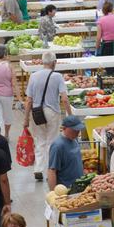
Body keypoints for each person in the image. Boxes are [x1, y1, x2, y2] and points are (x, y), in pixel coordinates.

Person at [24, 53, 72, 182]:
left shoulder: (33, 76)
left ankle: (38, 169)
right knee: (52, 141)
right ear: (54, 62)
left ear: (42, 62)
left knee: (39, 140)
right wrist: (70, 116)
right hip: (52, 112)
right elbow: (64, 99)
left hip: (36, 112)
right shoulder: (57, 77)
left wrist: (26, 118)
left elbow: (28, 100)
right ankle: (50, 171)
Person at [46, 115, 85, 190]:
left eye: (78, 130)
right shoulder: (58, 146)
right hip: (66, 189)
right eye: (74, 130)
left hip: (78, 186)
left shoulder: (74, 140)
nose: (77, 133)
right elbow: (52, 171)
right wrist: (53, 193)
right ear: (64, 128)